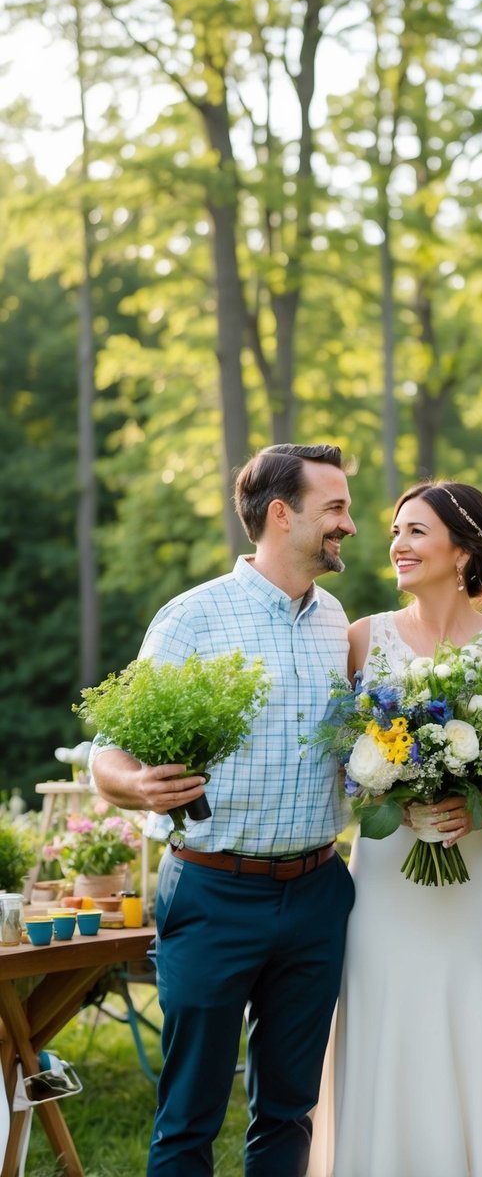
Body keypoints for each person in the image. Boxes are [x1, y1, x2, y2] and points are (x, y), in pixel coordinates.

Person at [91, 443, 358, 1177]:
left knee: (289, 1109)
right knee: (190, 1115)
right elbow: (106, 754)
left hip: (316, 892)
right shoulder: (193, 618)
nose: (351, 526)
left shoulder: (338, 622)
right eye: (335, 508)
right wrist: (137, 785)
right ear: (281, 514)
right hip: (213, 891)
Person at [307, 481, 482, 1177]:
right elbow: (343, 765)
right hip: (387, 878)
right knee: (387, 1021)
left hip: (474, 879)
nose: (396, 544)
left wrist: (470, 810)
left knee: (469, 1020)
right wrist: (392, 793)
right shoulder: (363, 640)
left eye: (415, 531)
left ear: (462, 548)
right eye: (395, 530)